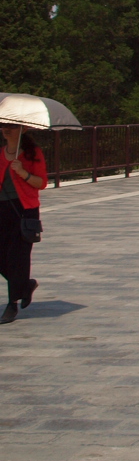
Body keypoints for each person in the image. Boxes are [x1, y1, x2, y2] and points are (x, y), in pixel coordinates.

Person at [0, 126, 47, 324]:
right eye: (3, 126)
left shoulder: (32, 153)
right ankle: (25, 285)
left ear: (23, 129)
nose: (5, 130)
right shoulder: (1, 153)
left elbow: (41, 183)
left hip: (24, 211)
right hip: (2, 211)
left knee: (17, 257)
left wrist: (22, 172)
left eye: (11, 127)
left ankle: (12, 304)